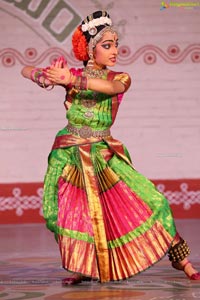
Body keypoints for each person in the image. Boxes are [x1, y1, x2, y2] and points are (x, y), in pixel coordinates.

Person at [21, 10, 200, 285]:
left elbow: (110, 87)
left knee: (154, 201)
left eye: (115, 44)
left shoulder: (120, 77)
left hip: (103, 152)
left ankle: (180, 258)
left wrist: (71, 79)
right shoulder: (71, 75)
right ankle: (81, 267)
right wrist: (44, 77)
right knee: (66, 214)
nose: (115, 50)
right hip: (68, 152)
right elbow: (25, 69)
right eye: (107, 45)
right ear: (92, 51)